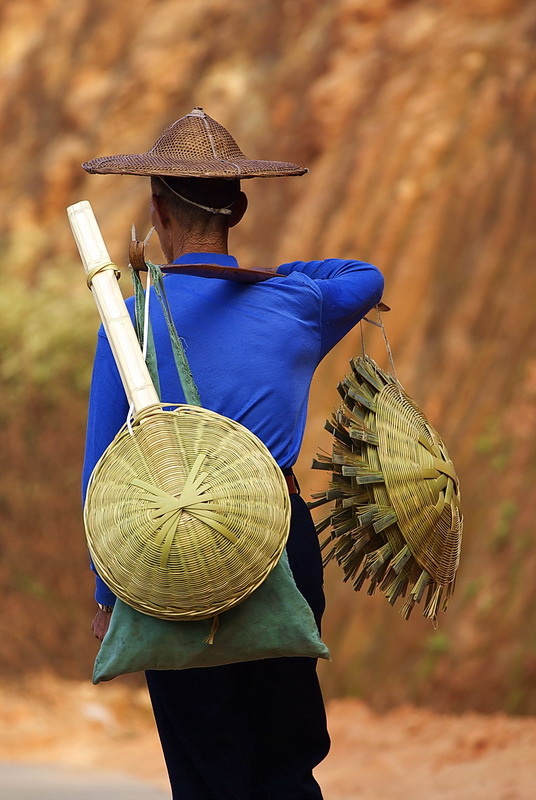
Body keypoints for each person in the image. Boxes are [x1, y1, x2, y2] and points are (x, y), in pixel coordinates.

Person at [82, 107, 384, 800]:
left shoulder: (130, 320)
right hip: (279, 539)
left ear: (156, 213)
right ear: (238, 208)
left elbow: (102, 466)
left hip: (167, 552)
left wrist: (106, 592)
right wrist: (280, 277)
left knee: (206, 765)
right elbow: (364, 277)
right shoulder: (297, 304)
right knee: (286, 759)